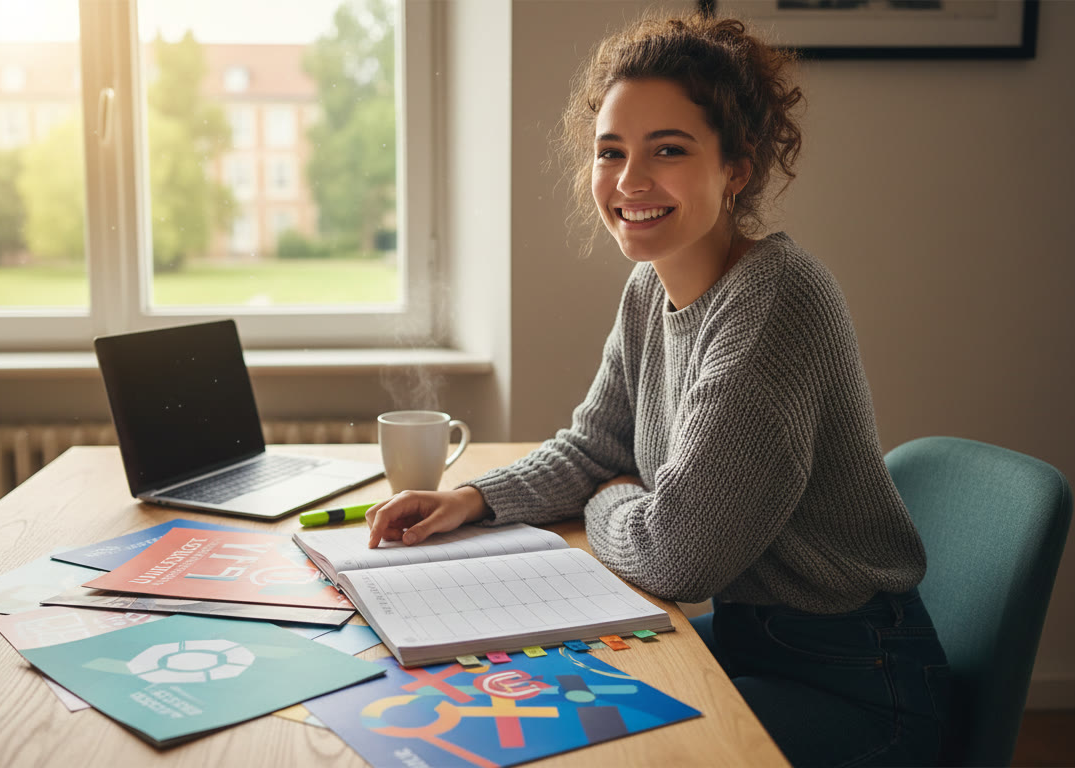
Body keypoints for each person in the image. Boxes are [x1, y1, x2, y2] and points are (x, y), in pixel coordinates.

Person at [365, 12, 950, 768]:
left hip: (858, 685)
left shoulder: (774, 299)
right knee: (520, 705)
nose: (630, 182)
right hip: (754, 645)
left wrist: (610, 496)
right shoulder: (650, 289)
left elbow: (679, 557)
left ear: (735, 169)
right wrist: (474, 501)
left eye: (668, 151)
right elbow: (596, 446)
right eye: (612, 153)